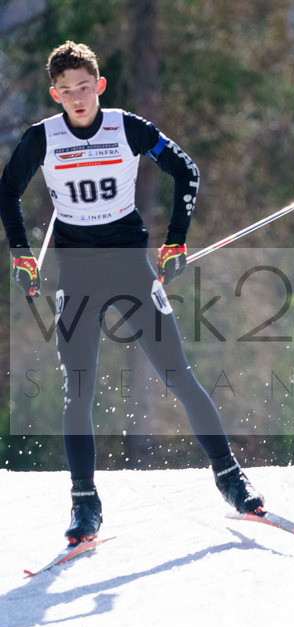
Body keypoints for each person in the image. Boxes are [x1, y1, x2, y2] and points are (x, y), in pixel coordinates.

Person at [0, 41, 263, 545]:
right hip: (75, 274)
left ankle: (232, 480)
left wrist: (176, 242)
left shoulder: (127, 127)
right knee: (78, 391)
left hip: (129, 268)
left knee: (178, 375)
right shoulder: (43, 138)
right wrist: (21, 252)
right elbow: (6, 189)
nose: (77, 98)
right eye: (66, 91)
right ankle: (85, 505)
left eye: (84, 88)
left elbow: (186, 169)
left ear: (99, 86)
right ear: (54, 94)